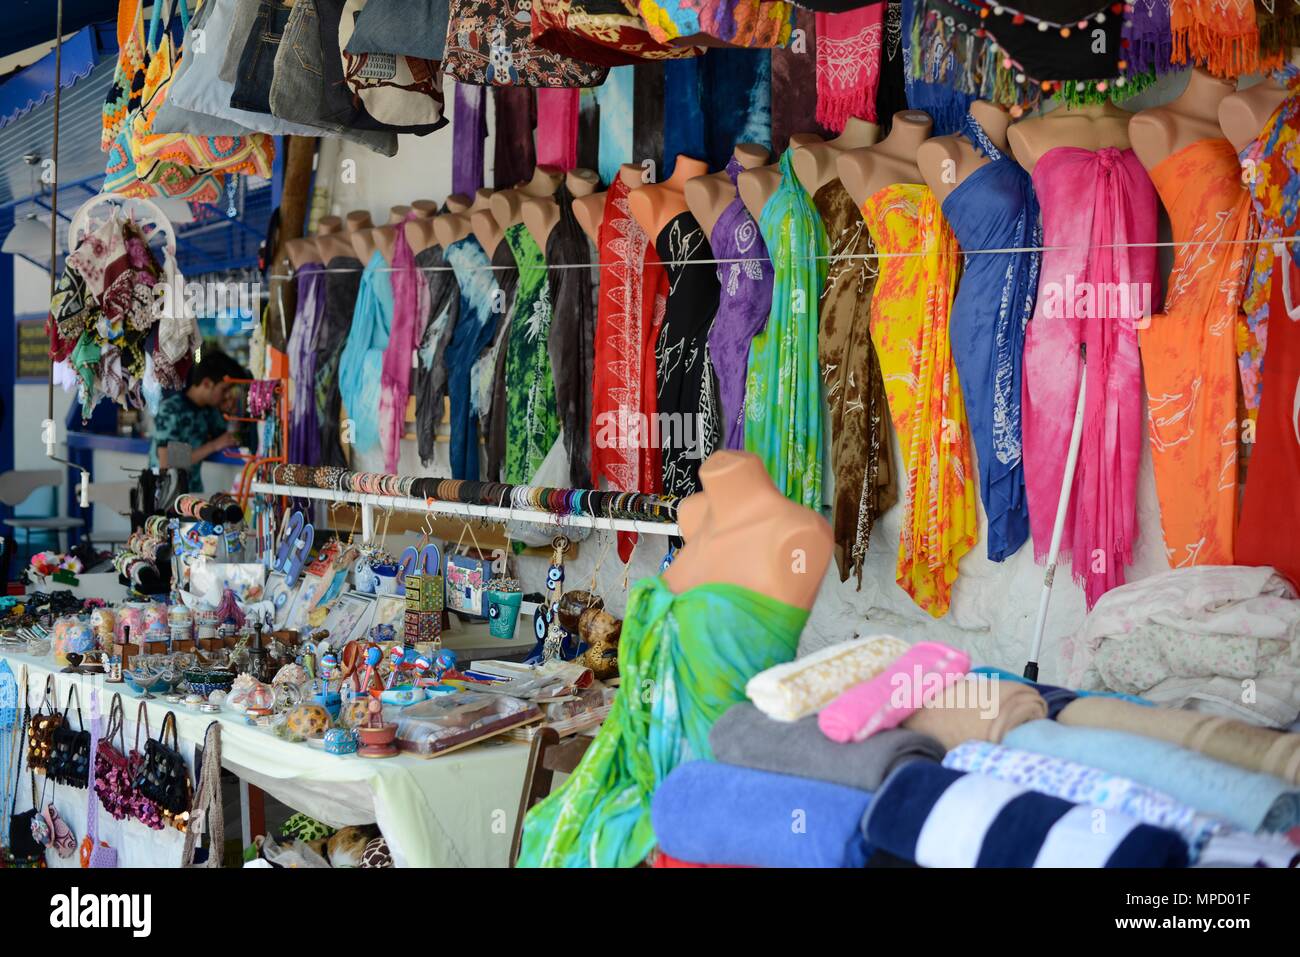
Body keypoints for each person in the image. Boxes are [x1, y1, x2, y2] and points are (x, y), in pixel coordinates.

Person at [148, 350, 249, 493]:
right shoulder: (171, 409)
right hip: (164, 496)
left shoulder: (209, 411)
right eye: (224, 389)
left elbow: (231, 439)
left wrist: (234, 412)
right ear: (207, 383)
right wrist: (213, 445)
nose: (226, 395)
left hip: (193, 493)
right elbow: (168, 460)